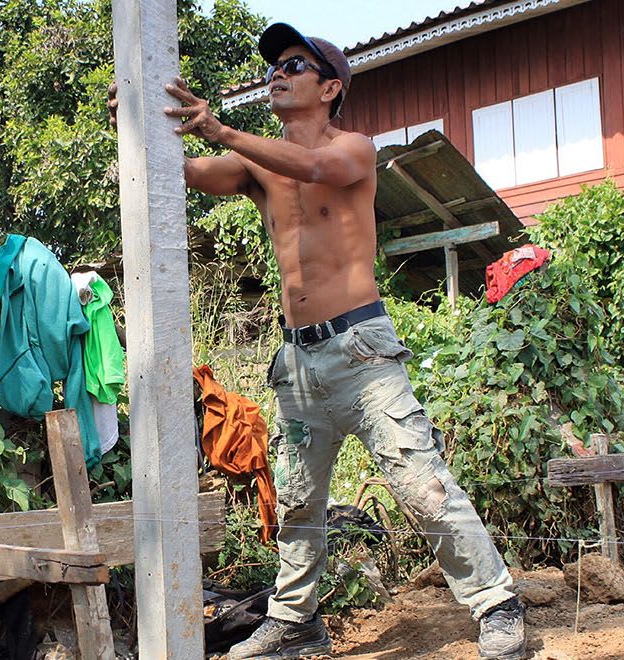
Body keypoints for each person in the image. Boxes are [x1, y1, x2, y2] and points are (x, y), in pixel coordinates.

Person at [109, 23, 526, 660]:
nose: (278, 72)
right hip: (297, 363)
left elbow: (314, 165)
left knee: (420, 481)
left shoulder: (355, 148)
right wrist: (133, 126)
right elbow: (183, 173)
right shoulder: (255, 162)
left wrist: (221, 130)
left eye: (295, 64)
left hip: (362, 351)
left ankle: (496, 606)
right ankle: (295, 620)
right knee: (298, 500)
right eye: (274, 65)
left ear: (330, 87)